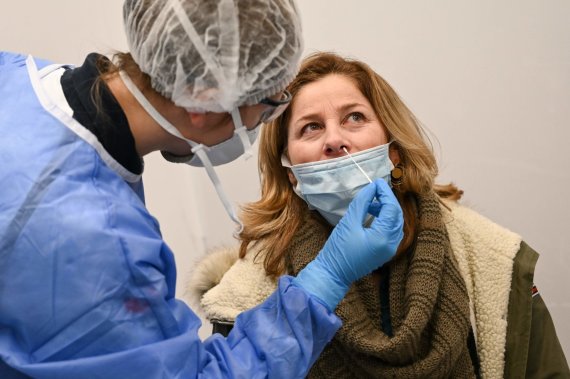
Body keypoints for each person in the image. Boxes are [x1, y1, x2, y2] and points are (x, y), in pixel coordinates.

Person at [0, 2, 406, 378]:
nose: (260, 124)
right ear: (202, 103)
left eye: (354, 117)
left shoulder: (15, 76)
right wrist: (327, 277)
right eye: (268, 106)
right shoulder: (99, 243)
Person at [189, 52, 570, 378]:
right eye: (311, 127)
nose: (335, 140)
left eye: (354, 118)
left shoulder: (493, 261)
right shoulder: (248, 292)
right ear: (292, 175)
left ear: (393, 151)